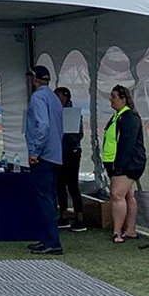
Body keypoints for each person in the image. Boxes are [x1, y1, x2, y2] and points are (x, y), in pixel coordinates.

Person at [25, 65, 65, 255]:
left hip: (43, 156)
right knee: (50, 198)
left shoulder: (38, 97)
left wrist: (35, 151)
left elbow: (42, 125)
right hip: (55, 155)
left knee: (44, 200)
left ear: (35, 79)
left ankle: (52, 241)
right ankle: (47, 238)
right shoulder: (54, 98)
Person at [103, 84, 146, 244]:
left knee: (116, 195)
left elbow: (127, 144)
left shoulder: (129, 117)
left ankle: (117, 232)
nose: (111, 100)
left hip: (126, 164)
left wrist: (119, 167)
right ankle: (130, 230)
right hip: (117, 162)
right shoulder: (119, 116)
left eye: (113, 97)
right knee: (128, 195)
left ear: (123, 99)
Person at [54, 87, 86, 232]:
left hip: (71, 152)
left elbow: (77, 135)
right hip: (61, 152)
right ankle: (64, 216)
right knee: (60, 184)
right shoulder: (57, 112)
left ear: (65, 97)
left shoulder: (72, 114)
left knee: (72, 185)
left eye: (58, 96)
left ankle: (80, 219)